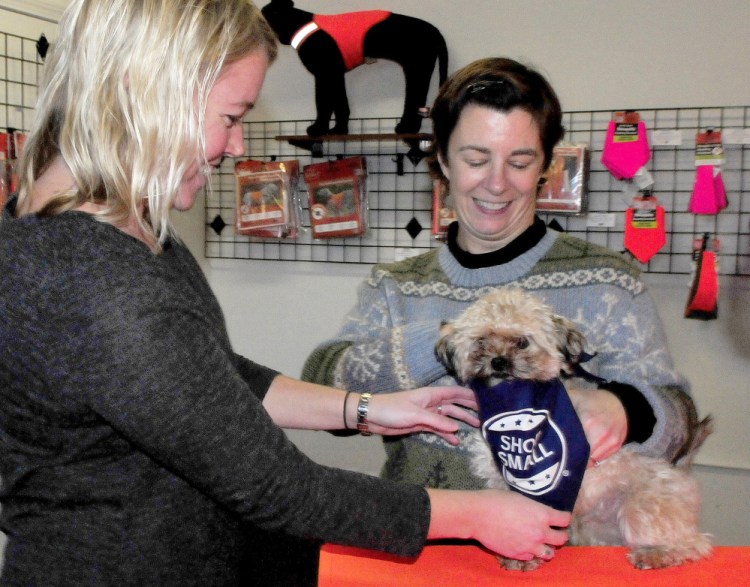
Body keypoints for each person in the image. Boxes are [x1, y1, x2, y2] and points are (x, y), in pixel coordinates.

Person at [0, 4, 575, 586]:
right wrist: (476, 514)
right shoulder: (94, 282)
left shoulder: (118, 232)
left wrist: (367, 410)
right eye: (230, 115)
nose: (234, 144)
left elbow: (206, 378)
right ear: (144, 90)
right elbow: (279, 489)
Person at [302, 57, 701, 491]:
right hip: (424, 538)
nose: (497, 183)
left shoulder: (609, 281)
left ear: (546, 166)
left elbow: (680, 422)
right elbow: (322, 386)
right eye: (476, 159)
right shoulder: (396, 286)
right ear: (443, 160)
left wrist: (625, 410)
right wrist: (443, 342)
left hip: (558, 547)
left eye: (520, 161)